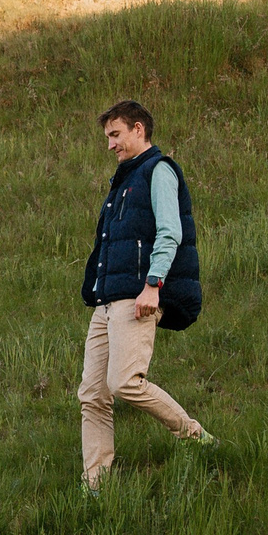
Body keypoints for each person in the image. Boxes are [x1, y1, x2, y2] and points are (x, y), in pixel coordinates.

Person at [77, 99, 214, 490]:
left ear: (138, 129)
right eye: (108, 137)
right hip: (107, 302)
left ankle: (194, 436)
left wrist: (153, 285)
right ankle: (95, 485)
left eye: (115, 135)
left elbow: (171, 232)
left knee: (125, 383)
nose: (110, 145)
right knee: (92, 395)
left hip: (136, 297)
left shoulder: (159, 170)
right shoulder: (124, 179)